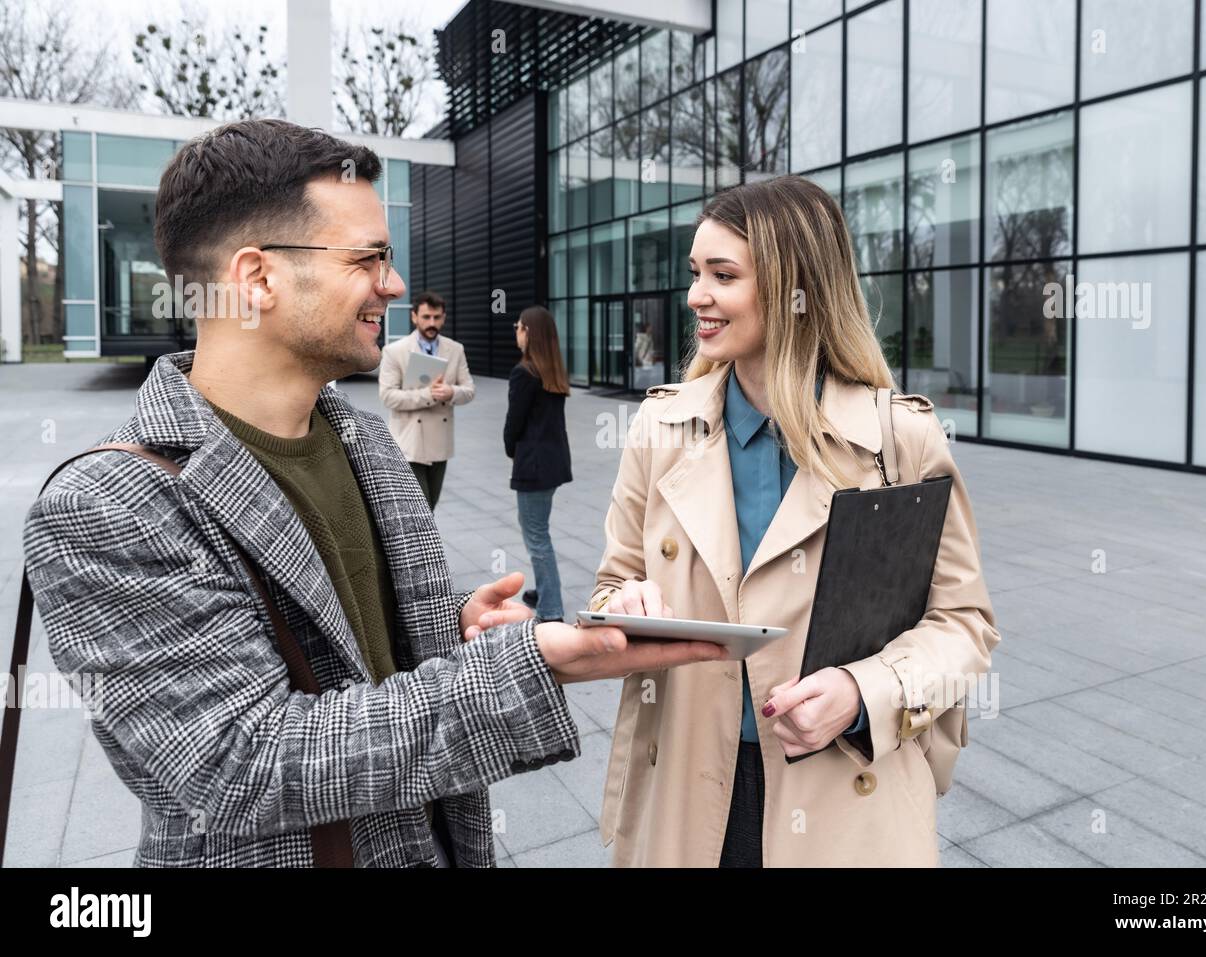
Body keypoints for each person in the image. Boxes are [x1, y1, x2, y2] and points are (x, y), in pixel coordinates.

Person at [20, 119, 724, 868]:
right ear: (257, 278)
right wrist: (529, 665)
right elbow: (242, 762)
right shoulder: (106, 504)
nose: (393, 284)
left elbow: (341, 652)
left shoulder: (360, 438)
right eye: (369, 258)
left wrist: (446, 631)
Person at [588, 175, 1001, 867]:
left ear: (795, 288)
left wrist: (862, 691)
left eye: (723, 275)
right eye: (696, 273)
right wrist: (624, 606)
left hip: (843, 796)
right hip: (688, 792)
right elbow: (612, 586)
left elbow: (964, 624)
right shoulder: (661, 426)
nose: (695, 296)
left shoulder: (900, 439)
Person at [503, 307, 573, 623]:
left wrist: (510, 449)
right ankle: (543, 591)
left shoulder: (524, 372)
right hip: (553, 464)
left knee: (536, 536)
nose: (516, 332)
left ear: (528, 332)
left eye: (518, 326)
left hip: (533, 466)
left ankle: (551, 609)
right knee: (538, 531)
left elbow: (514, 422)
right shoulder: (552, 370)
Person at [378, 291, 473, 511]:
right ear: (414, 317)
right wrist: (429, 395)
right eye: (426, 317)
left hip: (440, 442)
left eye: (437, 317)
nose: (432, 323)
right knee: (420, 511)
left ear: (444, 317)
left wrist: (451, 392)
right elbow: (388, 396)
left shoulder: (455, 349)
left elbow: (469, 390)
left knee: (431, 507)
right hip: (409, 443)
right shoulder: (395, 351)